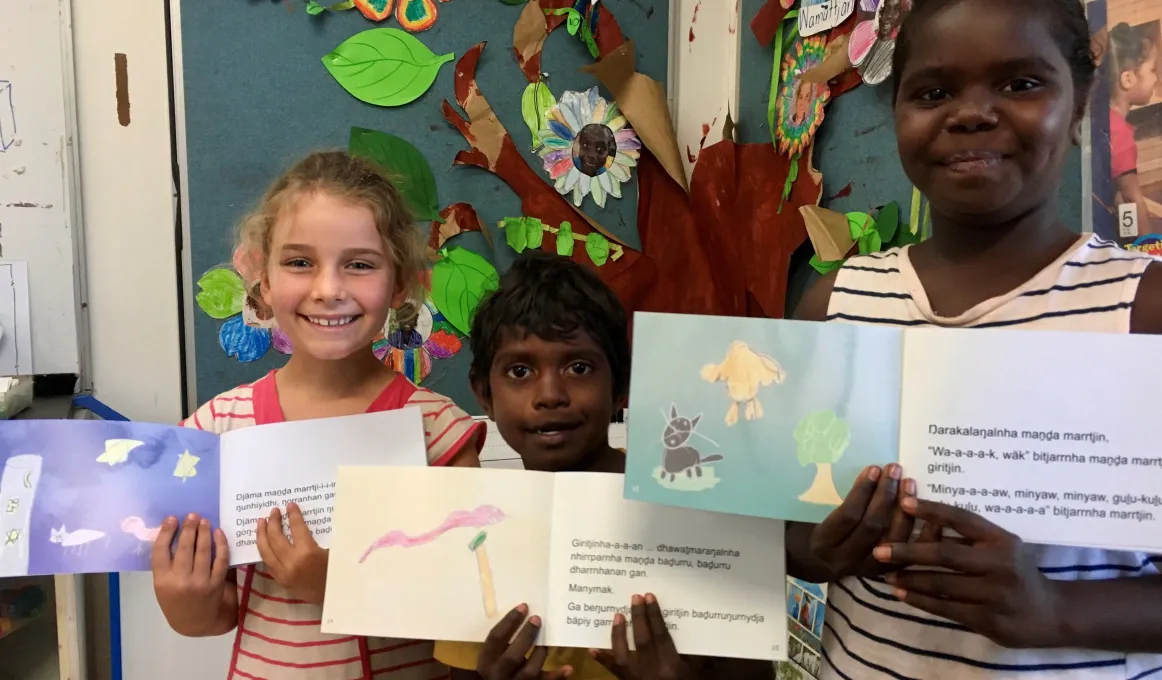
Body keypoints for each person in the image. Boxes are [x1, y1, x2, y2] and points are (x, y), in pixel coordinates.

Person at [786, 0, 1162, 677]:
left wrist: (1055, 612)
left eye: (1021, 84)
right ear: (897, 113)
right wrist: (822, 548)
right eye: (932, 92)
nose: (971, 113)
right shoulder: (835, 304)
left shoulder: (1143, 310)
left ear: (1080, 104)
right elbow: (791, 537)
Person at [149, 150, 485, 679]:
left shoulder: (439, 432)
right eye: (300, 262)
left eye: (359, 263)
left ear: (400, 283)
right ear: (262, 279)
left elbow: (468, 605)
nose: (328, 289)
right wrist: (181, 596)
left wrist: (340, 586)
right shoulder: (216, 430)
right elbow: (212, 617)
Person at [435, 251, 775, 680]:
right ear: (485, 394)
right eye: (520, 371)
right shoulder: (475, 537)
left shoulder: (691, 507)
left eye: (579, 367)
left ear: (620, 388)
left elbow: (754, 669)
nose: (550, 394)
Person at [1108, 22, 1157, 237]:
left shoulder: (1106, 121)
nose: (1156, 78)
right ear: (1128, 79)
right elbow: (1131, 200)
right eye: (1152, 70)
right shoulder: (1120, 136)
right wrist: (1147, 254)